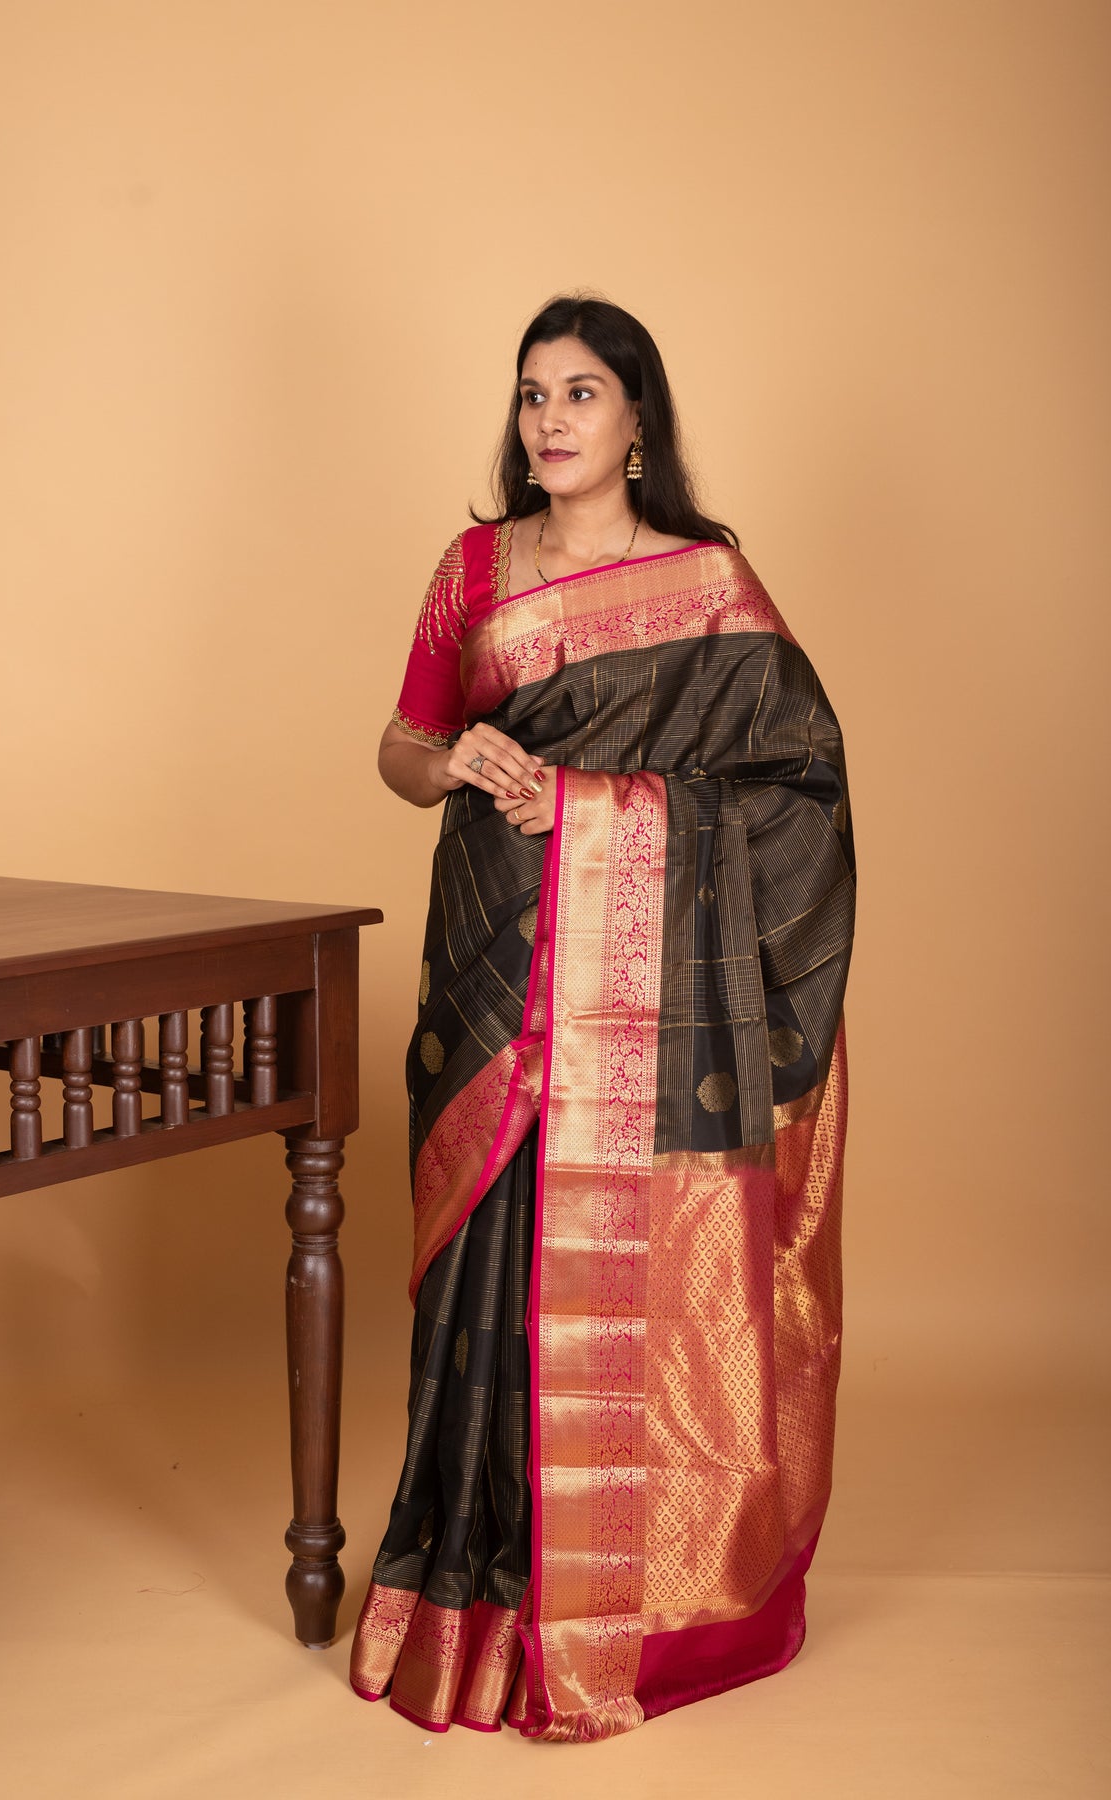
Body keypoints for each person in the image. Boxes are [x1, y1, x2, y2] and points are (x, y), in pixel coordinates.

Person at [349, 295, 856, 1742]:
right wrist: (456, 762)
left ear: (639, 418)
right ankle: (479, 1601)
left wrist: (600, 808)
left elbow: (797, 792)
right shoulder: (473, 569)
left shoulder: (711, 586)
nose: (550, 418)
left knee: (623, 1271)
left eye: (581, 392)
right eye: (532, 394)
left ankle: (623, 1611)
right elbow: (398, 747)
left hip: (643, 1012)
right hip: (496, 972)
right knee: (488, 1284)